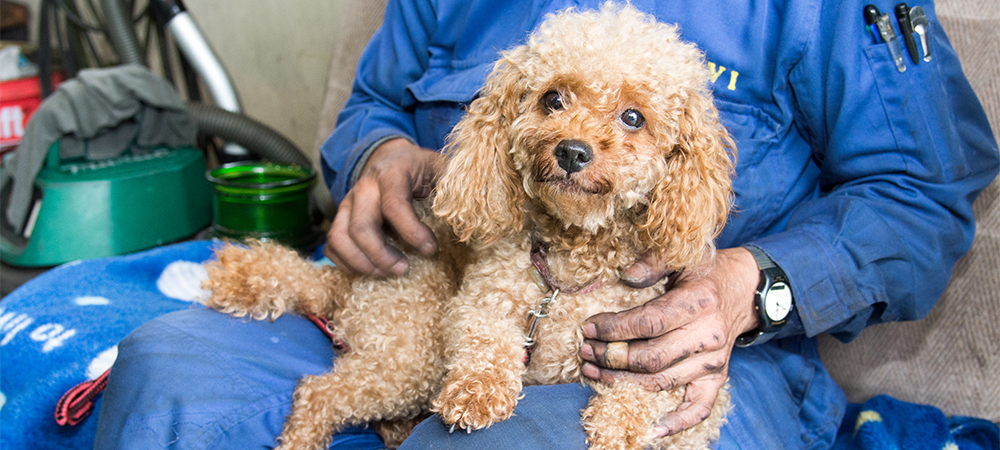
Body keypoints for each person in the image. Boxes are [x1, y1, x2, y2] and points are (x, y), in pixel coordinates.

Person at [94, 0, 999, 449]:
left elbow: (924, 190)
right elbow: (374, 103)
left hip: (682, 351)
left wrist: (748, 287)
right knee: (169, 379)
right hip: (433, 291)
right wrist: (373, 156)